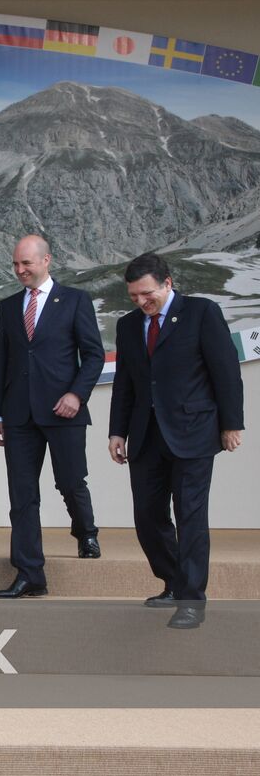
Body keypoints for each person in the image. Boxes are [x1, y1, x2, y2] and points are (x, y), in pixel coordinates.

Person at [108, 252, 244, 629]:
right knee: (147, 518)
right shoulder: (128, 326)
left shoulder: (202, 313)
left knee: (190, 518)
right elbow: (126, 384)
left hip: (194, 433)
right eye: (133, 296)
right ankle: (173, 581)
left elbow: (226, 371)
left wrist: (232, 424)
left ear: (167, 283)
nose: (140, 302)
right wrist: (117, 431)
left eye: (146, 294)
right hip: (147, 437)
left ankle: (190, 600)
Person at [0, 235, 105, 599]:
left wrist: (76, 394)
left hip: (64, 411)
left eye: (27, 263)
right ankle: (29, 574)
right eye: (16, 265)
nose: (21, 270)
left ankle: (85, 531)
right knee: (22, 495)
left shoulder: (74, 300)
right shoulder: (8, 307)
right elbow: (2, 362)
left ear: (47, 260)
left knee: (70, 481)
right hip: (19, 414)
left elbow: (94, 355)